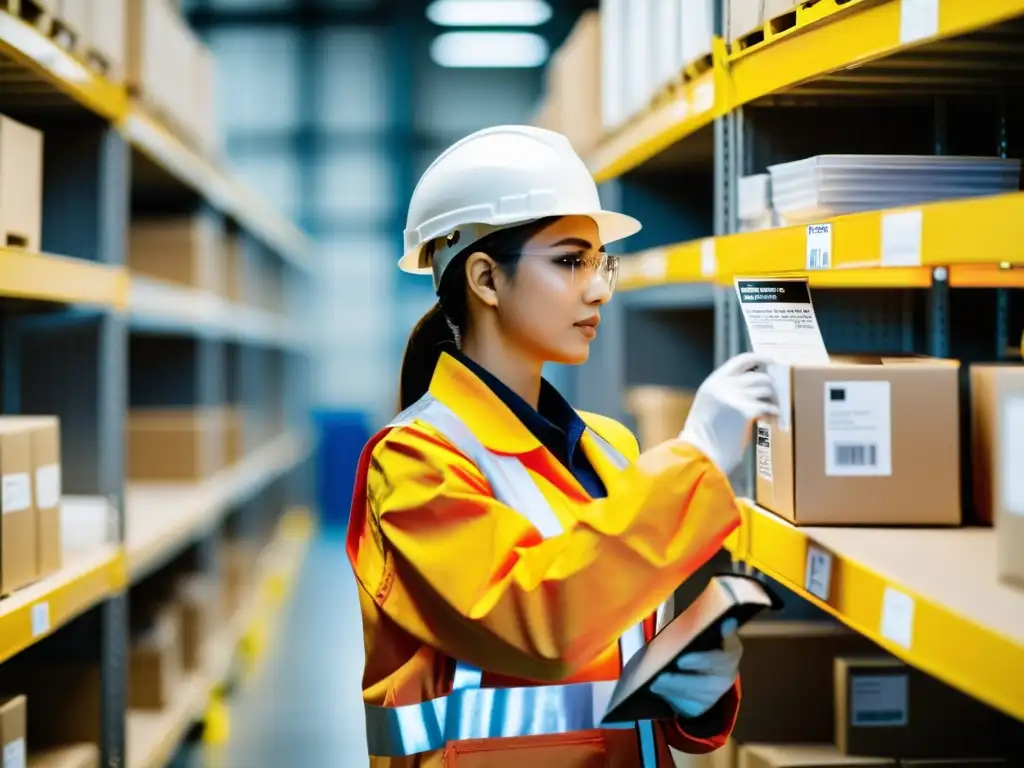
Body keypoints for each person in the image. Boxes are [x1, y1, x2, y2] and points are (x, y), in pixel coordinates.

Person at [346, 125, 779, 767]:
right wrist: (699, 456)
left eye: (600, 263)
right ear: (487, 279)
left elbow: (615, 653)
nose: (600, 288)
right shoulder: (413, 463)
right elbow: (537, 620)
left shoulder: (610, 446)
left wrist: (691, 694)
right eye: (570, 261)